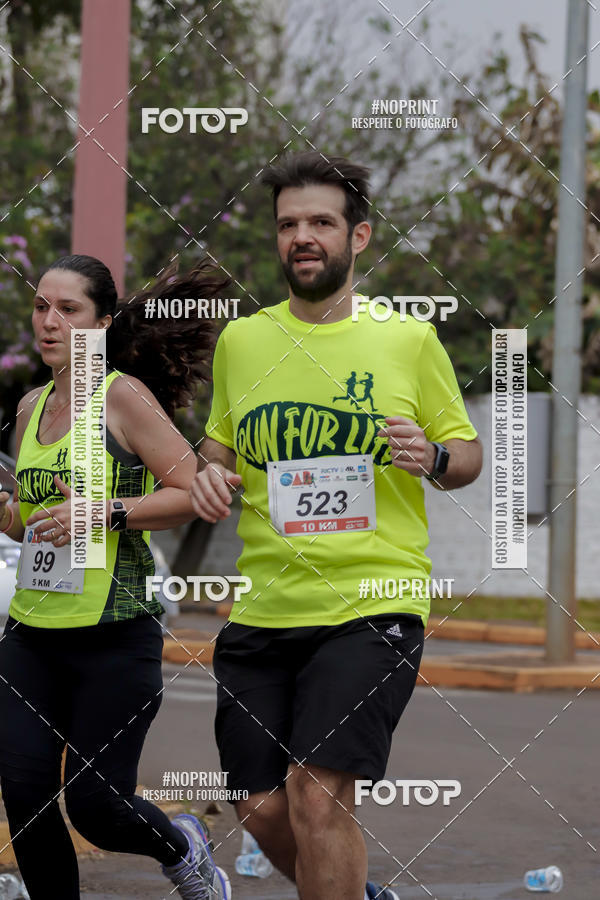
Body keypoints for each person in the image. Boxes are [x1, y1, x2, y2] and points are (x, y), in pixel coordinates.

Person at [190, 151, 483, 900]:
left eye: (321, 221)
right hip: (264, 607)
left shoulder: (406, 340)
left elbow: (469, 455)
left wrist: (435, 454)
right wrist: (209, 474)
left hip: (371, 602)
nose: (303, 236)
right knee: (260, 806)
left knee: (319, 795)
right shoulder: (243, 342)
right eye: (289, 223)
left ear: (359, 237)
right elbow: (218, 448)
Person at [0, 254, 232, 900]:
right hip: (32, 634)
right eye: (42, 307)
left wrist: (102, 511)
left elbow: (192, 492)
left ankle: (183, 846)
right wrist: (7, 510)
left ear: (101, 323)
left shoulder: (122, 397)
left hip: (114, 634)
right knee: (25, 795)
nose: (49, 322)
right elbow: (27, 521)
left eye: (67, 309)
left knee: (96, 806)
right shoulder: (28, 409)